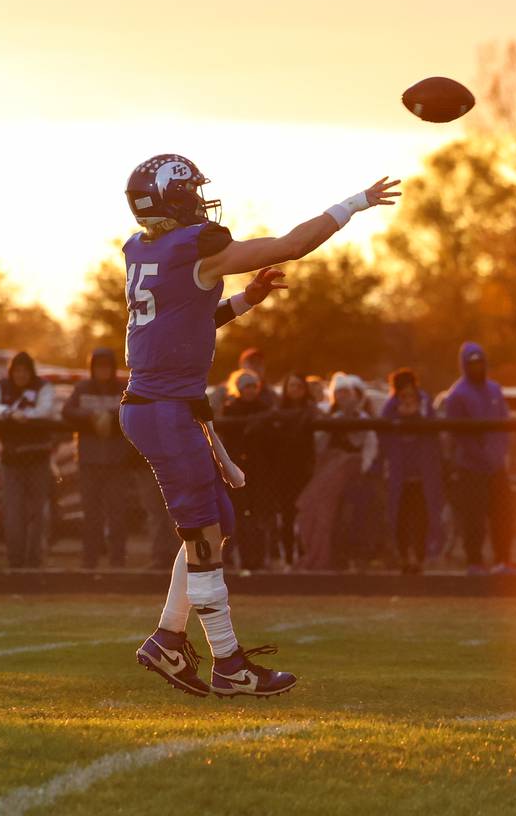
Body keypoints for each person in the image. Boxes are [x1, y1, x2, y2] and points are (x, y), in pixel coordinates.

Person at [118, 152, 397, 698]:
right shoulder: (191, 246)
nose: (200, 199)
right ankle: (228, 663)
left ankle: (169, 640)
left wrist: (248, 299)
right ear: (175, 198)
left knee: (217, 523)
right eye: (191, 191)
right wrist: (355, 203)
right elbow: (291, 245)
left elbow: (188, 319)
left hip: (161, 406)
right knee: (201, 535)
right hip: (167, 412)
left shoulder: (143, 249)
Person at [443, 342, 515, 575]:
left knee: (503, 515)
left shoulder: (495, 390)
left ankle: (503, 560)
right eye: (472, 363)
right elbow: (459, 435)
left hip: (496, 466)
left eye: (480, 362)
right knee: (473, 516)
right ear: (464, 365)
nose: (477, 367)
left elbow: (504, 424)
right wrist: (482, 456)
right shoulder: (457, 395)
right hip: (471, 467)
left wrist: (499, 454)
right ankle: (474, 562)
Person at [62, 348, 135, 569]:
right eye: (98, 366)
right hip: (89, 460)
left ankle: (117, 561)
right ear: (92, 368)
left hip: (116, 460)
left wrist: (111, 418)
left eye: (106, 366)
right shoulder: (82, 388)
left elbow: (133, 412)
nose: (102, 370)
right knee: (90, 513)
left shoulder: (123, 388)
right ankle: (90, 560)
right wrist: (92, 417)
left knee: (117, 514)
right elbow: (67, 411)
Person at [296, 372, 377, 571]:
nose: (343, 397)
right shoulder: (329, 418)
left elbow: (369, 448)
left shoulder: (363, 418)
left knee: (349, 517)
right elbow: (319, 446)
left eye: (346, 392)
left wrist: (360, 467)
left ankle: (348, 558)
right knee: (316, 512)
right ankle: (319, 556)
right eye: (339, 393)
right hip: (327, 476)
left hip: (354, 477)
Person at [0, 351, 57, 569]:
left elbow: (45, 410)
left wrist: (23, 415)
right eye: (17, 371)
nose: (21, 375)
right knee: (13, 512)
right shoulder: (1, 385)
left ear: (31, 371)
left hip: (38, 459)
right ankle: (15, 561)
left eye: (25, 370)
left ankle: (35, 560)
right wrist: (10, 413)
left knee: (38, 512)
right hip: (12, 460)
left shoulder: (43, 387)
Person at [380, 368, 444, 574]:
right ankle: (405, 555)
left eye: (411, 392)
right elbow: (383, 439)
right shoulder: (390, 409)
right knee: (401, 516)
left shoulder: (426, 407)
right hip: (399, 475)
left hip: (422, 473)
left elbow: (434, 438)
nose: (407, 397)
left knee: (422, 516)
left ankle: (420, 555)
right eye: (403, 393)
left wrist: (415, 415)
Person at [218, 368, 277, 570]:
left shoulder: (264, 409)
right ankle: (233, 557)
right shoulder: (231, 409)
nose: (250, 391)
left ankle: (257, 559)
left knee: (257, 516)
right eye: (246, 387)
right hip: (236, 470)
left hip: (259, 471)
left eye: (253, 386)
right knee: (236, 515)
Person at [268, 372, 319, 567]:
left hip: (306, 469)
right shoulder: (277, 413)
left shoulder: (312, 411)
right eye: (292, 386)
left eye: (299, 386)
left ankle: (307, 554)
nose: (295, 390)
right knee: (287, 515)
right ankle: (289, 556)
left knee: (306, 513)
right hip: (283, 471)